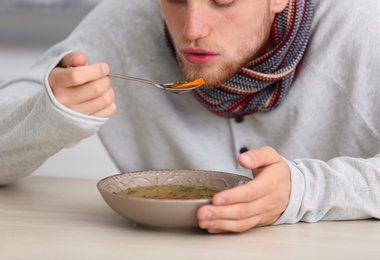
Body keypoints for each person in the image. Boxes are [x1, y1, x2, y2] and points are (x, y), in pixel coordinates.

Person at [1, 0, 380, 233]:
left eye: (223, 0)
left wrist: (303, 191)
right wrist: (51, 114)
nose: (191, 29)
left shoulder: (363, 26)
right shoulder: (125, 19)